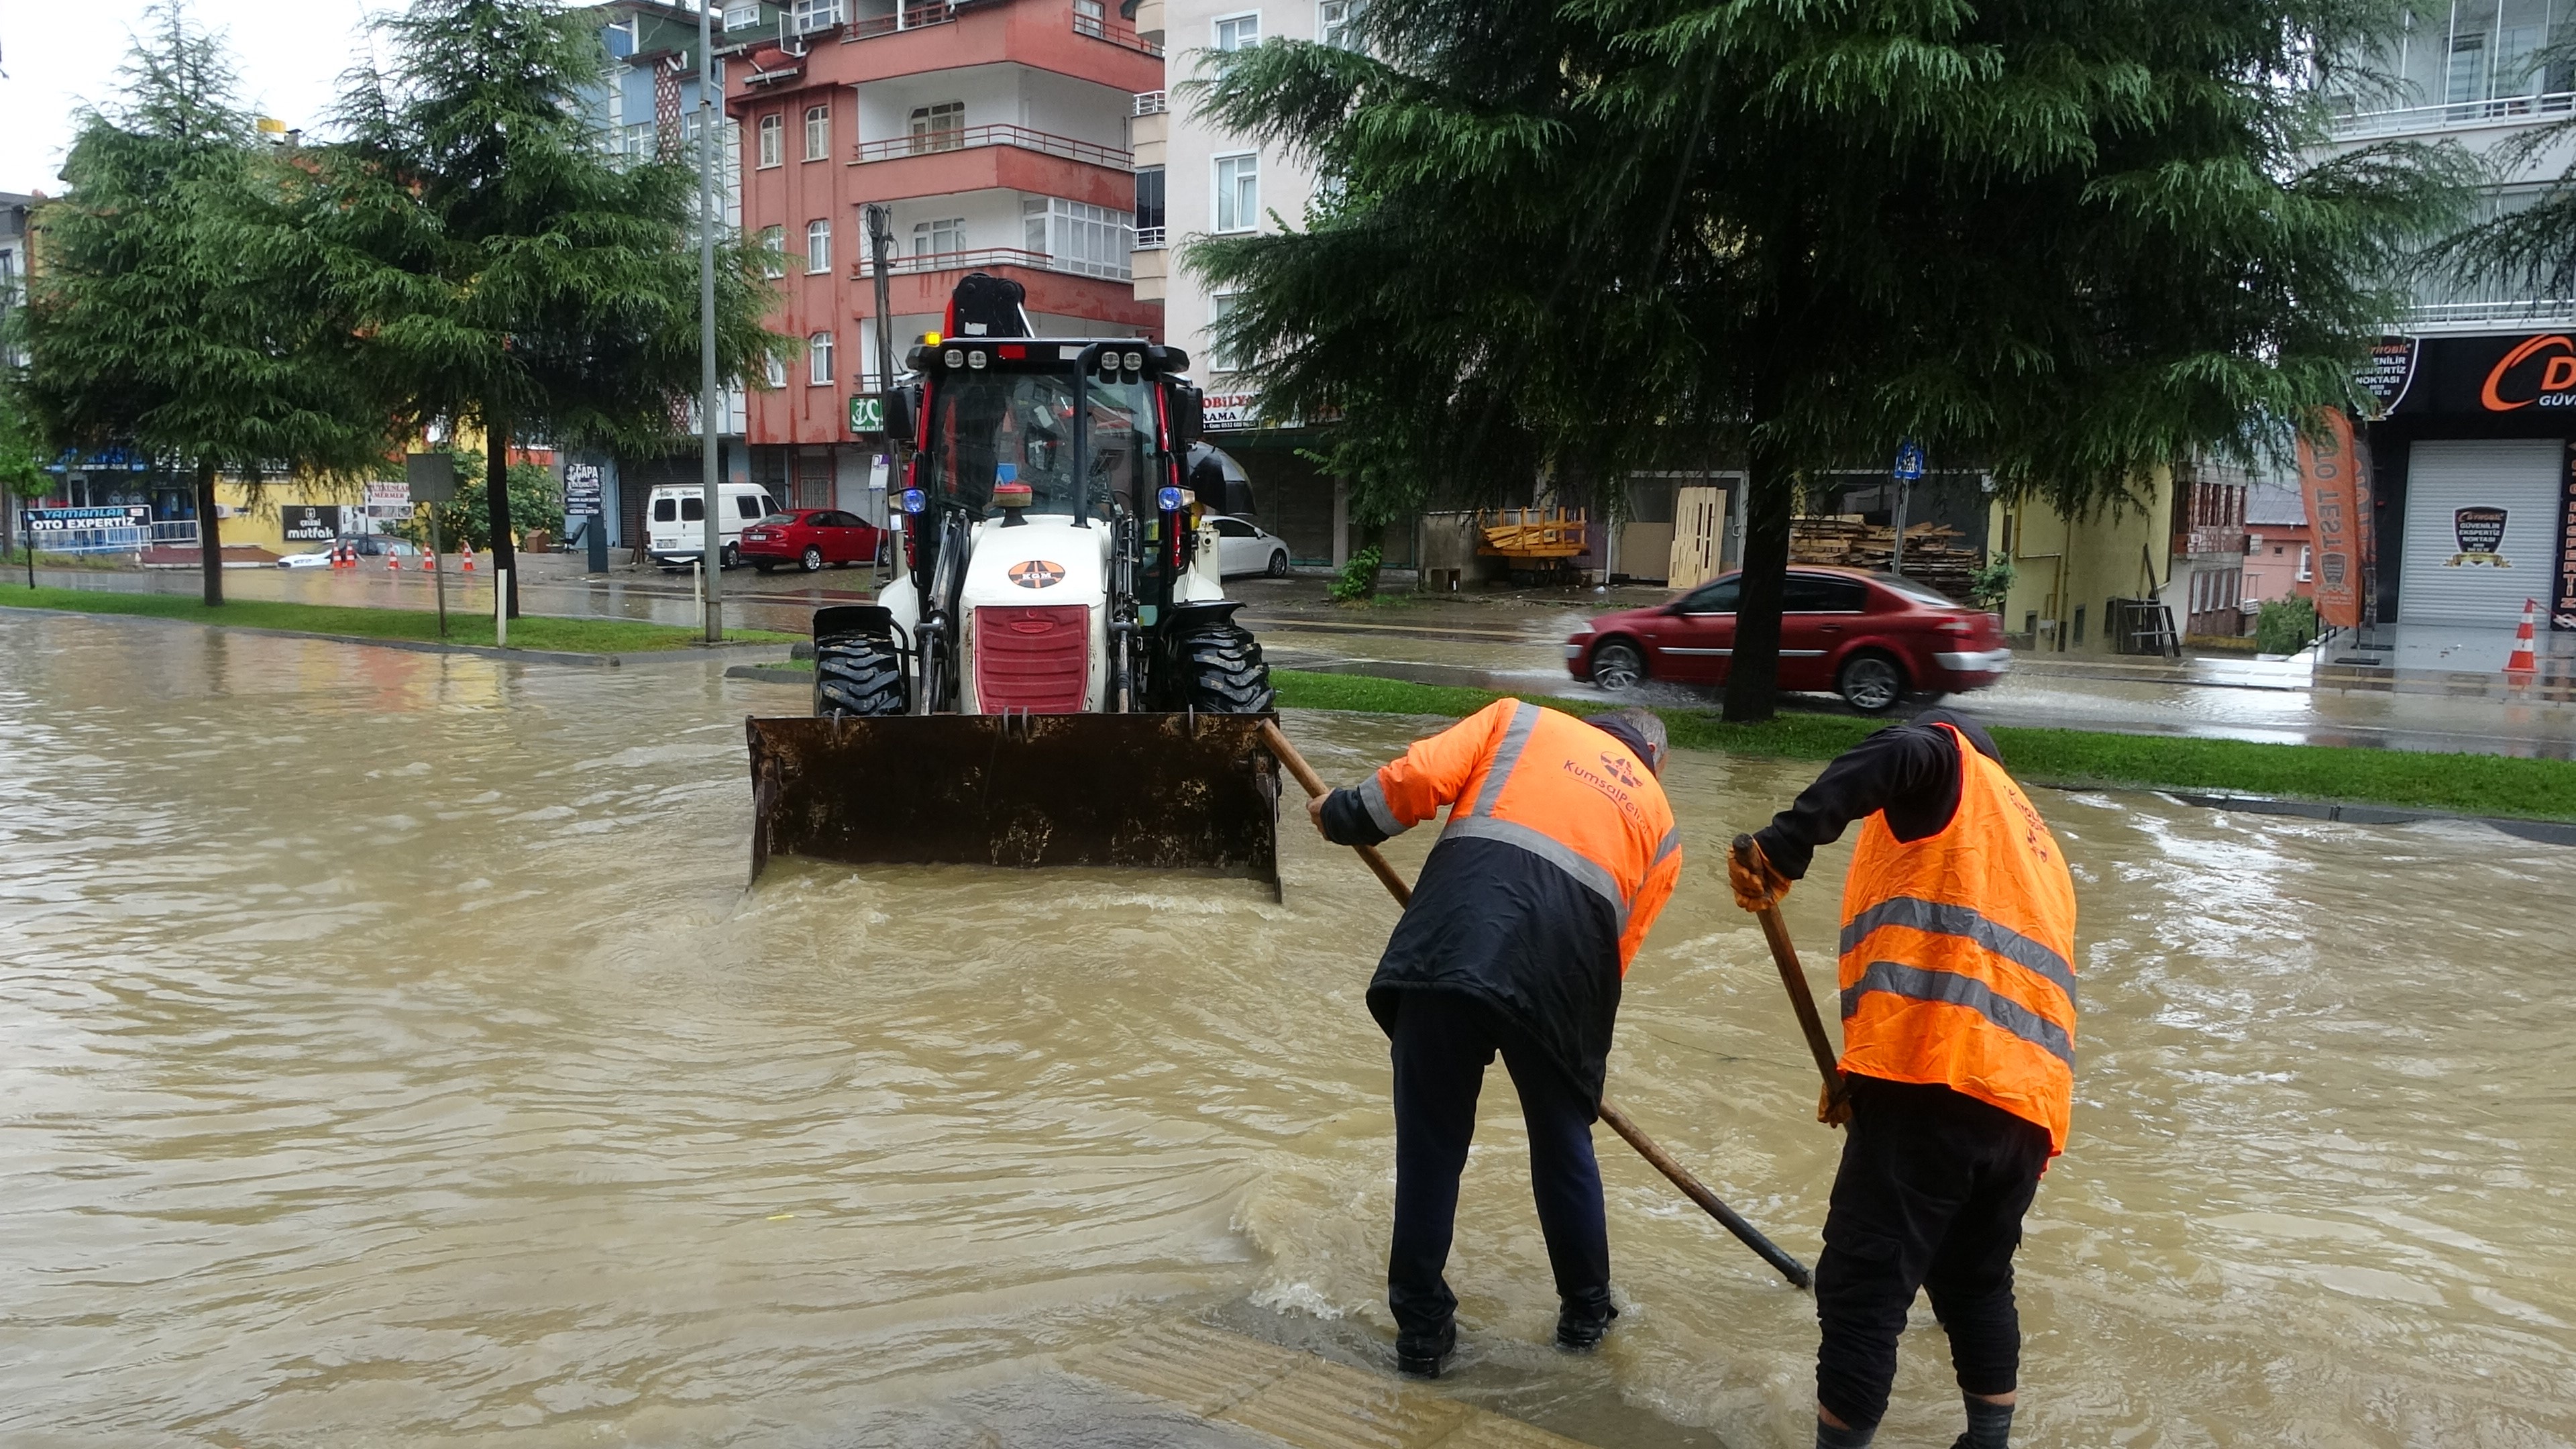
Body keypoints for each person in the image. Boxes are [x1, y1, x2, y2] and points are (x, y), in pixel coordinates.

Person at [1729, 709, 2077, 1449]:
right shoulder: (2033, 842)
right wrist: (1864, 1073)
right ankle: (1987, 1441)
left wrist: (1786, 844)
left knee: (1862, 1289)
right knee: (1975, 1280)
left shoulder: (1947, 764)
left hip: (1938, 1080)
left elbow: (1908, 749)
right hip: (2023, 1110)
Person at [1310, 700, 1682, 1379]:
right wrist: (1574, 1067)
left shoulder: (1520, 722)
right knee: (1564, 1146)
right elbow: (1615, 957)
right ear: (1652, 761)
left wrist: (1339, 816)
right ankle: (1585, 1319)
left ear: (1598, 729)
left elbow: (1410, 785)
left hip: (1450, 945)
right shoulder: (1662, 827)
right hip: (1565, 984)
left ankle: (1422, 1336)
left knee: (1431, 1149)